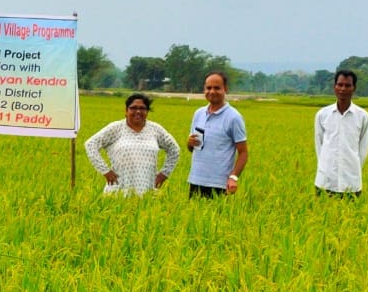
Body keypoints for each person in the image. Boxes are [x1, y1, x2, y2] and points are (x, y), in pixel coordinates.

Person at [84, 93, 180, 195]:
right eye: (133, 108)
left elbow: (174, 149)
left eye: (142, 108)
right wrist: (105, 171)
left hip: (147, 190)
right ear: (126, 110)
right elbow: (90, 144)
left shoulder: (155, 129)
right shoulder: (116, 128)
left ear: (147, 111)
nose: (138, 111)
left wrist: (164, 174)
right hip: (119, 190)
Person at [186, 70, 248, 198]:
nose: (212, 91)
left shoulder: (233, 117)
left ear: (225, 89)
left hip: (219, 184)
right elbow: (194, 149)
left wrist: (234, 177)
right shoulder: (199, 114)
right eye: (208, 88)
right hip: (196, 180)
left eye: (217, 88)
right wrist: (189, 144)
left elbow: (243, 152)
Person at [315, 69, 368, 197]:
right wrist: (326, 167)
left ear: (354, 88)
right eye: (340, 84)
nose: (343, 89)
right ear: (334, 87)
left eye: (347, 85)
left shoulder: (362, 116)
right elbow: (319, 146)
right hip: (325, 182)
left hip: (351, 184)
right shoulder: (322, 115)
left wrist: (352, 169)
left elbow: (363, 149)